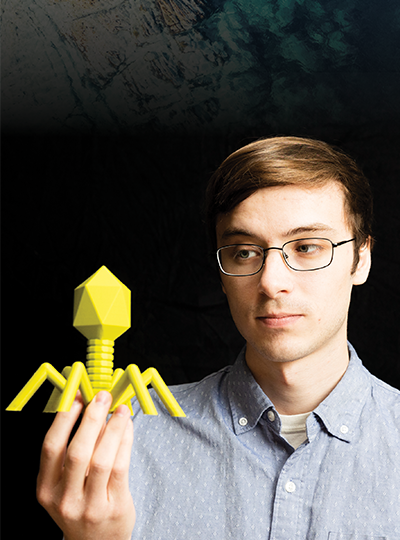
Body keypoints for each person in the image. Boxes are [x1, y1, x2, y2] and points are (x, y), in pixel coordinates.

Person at [37, 136, 400, 540]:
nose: (271, 282)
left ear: (361, 259)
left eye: (307, 247)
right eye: (244, 252)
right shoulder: (126, 435)